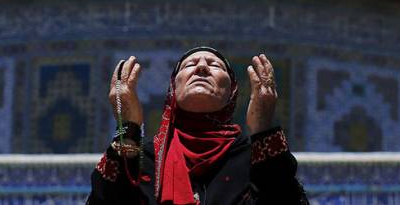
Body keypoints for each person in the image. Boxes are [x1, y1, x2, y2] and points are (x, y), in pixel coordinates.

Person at [87, 46, 308, 204]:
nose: (201, 67)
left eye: (214, 65)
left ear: (232, 91)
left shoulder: (253, 159)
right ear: (173, 88)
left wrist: (263, 129)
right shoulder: (144, 159)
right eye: (190, 64)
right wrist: (128, 126)